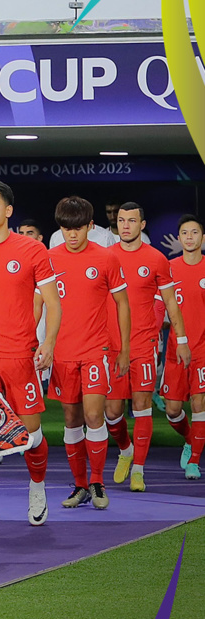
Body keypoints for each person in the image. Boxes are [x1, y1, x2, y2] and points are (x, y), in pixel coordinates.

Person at [0, 180, 61, 534]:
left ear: (8, 210)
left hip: (20, 356)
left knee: (30, 436)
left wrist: (48, 343)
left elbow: (53, 303)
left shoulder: (32, 250)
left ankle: (37, 486)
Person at [49, 196, 130, 510]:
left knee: (95, 416)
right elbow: (38, 302)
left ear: (90, 226)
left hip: (96, 350)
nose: (72, 234)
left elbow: (122, 304)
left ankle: (97, 482)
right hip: (62, 353)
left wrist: (123, 349)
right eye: (66, 228)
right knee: (71, 419)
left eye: (78, 228)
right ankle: (80, 485)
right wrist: (38, 342)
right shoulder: (49, 258)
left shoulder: (106, 257)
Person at [105, 202, 190, 491]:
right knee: (112, 413)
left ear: (142, 225)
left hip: (143, 344)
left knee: (142, 406)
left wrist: (181, 340)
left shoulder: (156, 259)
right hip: (111, 346)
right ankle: (126, 450)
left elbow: (171, 303)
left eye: (131, 221)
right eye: (121, 220)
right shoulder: (106, 257)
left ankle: (139, 470)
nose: (125, 225)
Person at [159, 214, 205, 480]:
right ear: (179, 238)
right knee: (173, 410)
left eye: (195, 232)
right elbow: (158, 307)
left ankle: (194, 461)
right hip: (175, 350)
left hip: (202, 350)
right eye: (185, 233)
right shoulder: (168, 268)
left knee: (199, 403)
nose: (189, 237)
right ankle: (190, 439)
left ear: (202, 238)